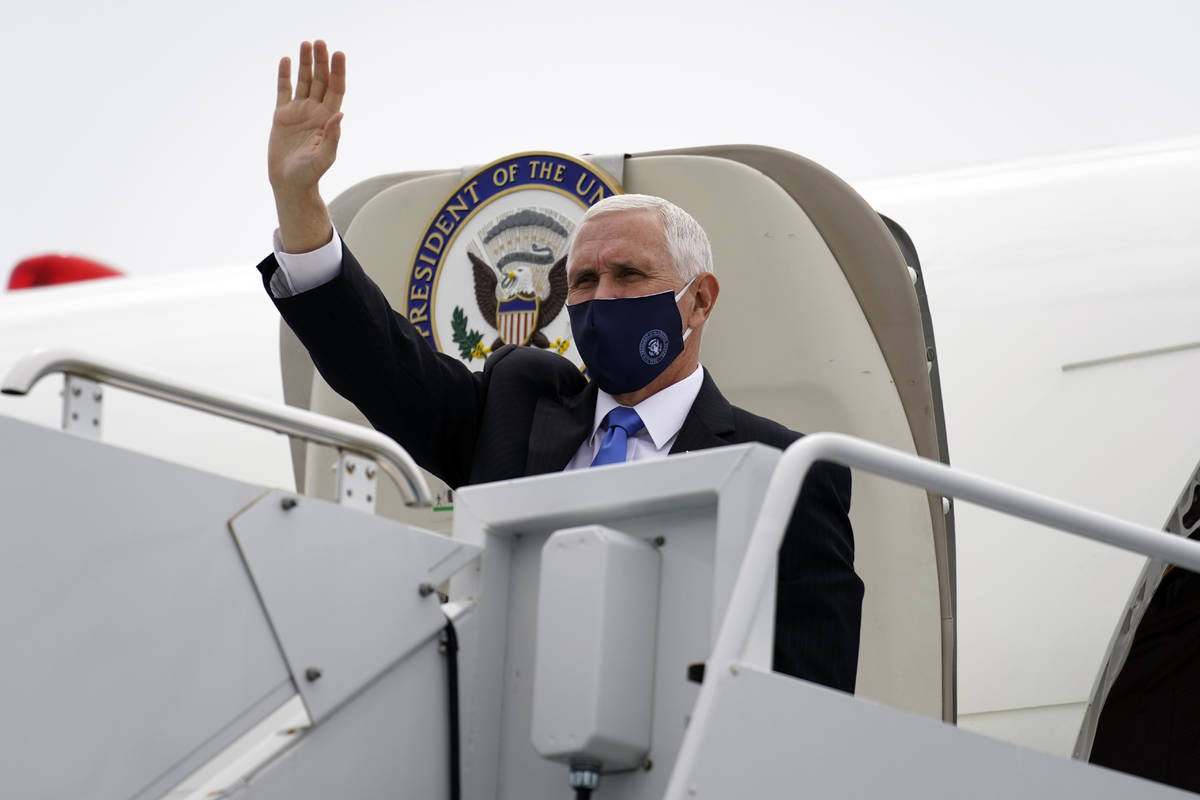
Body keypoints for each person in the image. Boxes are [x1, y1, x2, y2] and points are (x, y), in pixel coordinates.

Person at [258, 40, 864, 692]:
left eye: (628, 274)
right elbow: (380, 365)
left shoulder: (783, 470)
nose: (600, 298)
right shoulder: (514, 407)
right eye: (582, 281)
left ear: (699, 300)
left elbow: (812, 687)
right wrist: (301, 203)